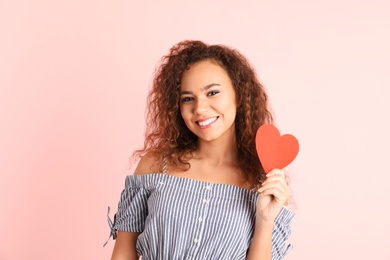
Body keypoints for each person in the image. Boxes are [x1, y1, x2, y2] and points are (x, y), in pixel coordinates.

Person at [106, 40, 294, 260]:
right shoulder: (156, 166)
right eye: (188, 98)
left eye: (212, 93)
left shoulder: (264, 184)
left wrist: (265, 221)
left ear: (239, 96)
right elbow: (123, 253)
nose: (200, 109)